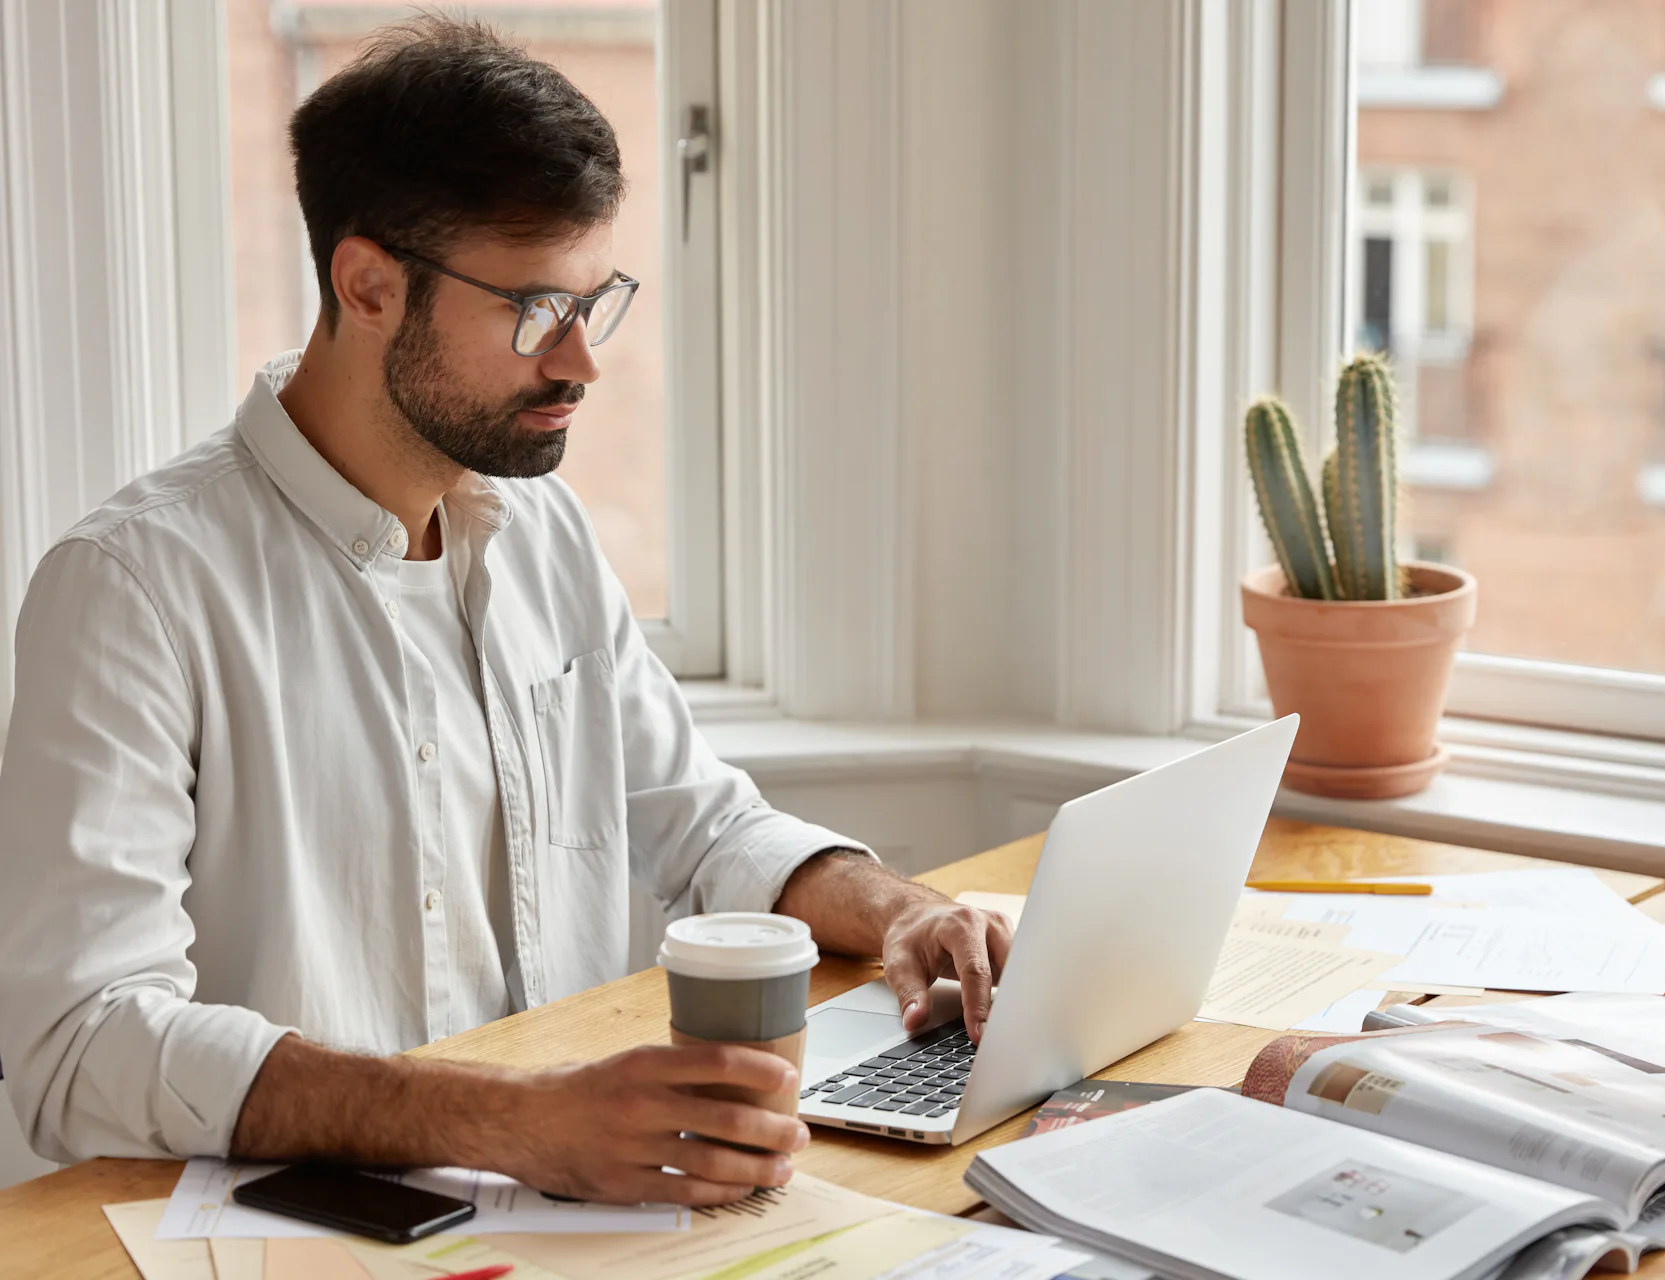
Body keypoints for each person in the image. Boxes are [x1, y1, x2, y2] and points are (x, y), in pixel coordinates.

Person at [0, 17, 1010, 1206]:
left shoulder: (546, 535)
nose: (582, 362)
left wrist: (907, 911)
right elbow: (81, 1041)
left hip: (574, 1215)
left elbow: (698, 827)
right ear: (368, 284)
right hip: (297, 1233)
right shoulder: (132, 586)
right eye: (536, 309)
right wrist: (513, 1121)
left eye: (598, 301)